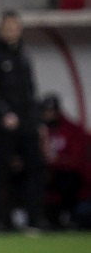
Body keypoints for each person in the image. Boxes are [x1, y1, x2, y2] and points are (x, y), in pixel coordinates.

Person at [0, 10, 45, 232]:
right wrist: (4, 113)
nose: (13, 31)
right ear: (0, 29)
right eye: (8, 27)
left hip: (26, 123)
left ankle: (35, 219)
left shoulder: (23, 56)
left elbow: (30, 91)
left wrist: (36, 120)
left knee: (35, 169)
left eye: (16, 27)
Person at [39, 93, 88, 229]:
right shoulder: (38, 130)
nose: (48, 114)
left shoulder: (71, 129)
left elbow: (76, 160)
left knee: (68, 181)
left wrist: (57, 161)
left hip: (65, 172)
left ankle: (67, 215)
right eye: (45, 111)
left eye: (51, 111)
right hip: (44, 171)